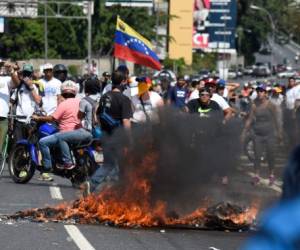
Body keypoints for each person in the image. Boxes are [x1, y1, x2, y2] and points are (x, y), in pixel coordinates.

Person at [81, 70, 133, 196]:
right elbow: (126, 121)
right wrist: (130, 139)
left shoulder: (104, 97)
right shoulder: (124, 100)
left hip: (105, 136)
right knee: (118, 165)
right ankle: (105, 189)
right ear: (123, 81)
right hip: (118, 137)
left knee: (110, 164)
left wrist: (102, 128)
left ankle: (100, 188)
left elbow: (96, 114)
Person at [32, 80, 81, 181]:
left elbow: (52, 118)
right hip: (79, 132)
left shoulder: (63, 104)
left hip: (65, 133)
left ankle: (47, 168)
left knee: (43, 142)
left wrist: (38, 118)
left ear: (63, 92)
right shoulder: (80, 102)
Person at [55, 78, 101, 169]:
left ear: (86, 88)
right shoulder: (102, 98)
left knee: (61, 138)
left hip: (88, 131)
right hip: (101, 131)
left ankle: (68, 162)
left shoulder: (84, 100)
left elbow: (79, 116)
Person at [242, 83, 282, 186]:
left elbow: (276, 120)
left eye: (261, 91)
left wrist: (279, 133)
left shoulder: (271, 105)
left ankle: (271, 175)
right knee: (257, 154)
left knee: (270, 154)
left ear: (265, 93)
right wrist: (244, 133)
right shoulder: (254, 104)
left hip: (269, 133)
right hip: (257, 134)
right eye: (258, 91)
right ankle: (256, 176)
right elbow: (250, 119)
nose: (259, 93)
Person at [11, 64, 42, 142]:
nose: (26, 76)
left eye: (28, 74)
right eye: (25, 73)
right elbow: (11, 101)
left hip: (31, 120)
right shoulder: (19, 86)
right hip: (19, 120)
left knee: (32, 146)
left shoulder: (36, 86)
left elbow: (39, 101)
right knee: (18, 145)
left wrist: (31, 87)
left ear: (32, 74)